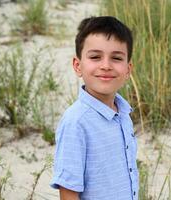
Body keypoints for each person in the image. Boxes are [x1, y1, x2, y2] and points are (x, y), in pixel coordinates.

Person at [50, 16, 139, 200]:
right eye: (95, 57)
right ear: (77, 65)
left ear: (128, 69)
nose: (106, 66)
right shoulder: (76, 122)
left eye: (116, 58)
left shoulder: (123, 114)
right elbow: (68, 191)